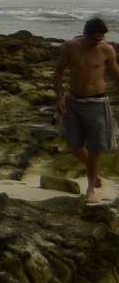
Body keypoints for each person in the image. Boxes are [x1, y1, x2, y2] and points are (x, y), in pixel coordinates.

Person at [55, 16, 118, 202]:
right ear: (85, 34)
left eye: (100, 39)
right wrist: (59, 98)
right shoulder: (70, 46)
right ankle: (95, 173)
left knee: (94, 149)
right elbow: (58, 71)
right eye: (94, 39)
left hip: (97, 103)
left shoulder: (107, 50)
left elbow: (116, 75)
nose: (97, 42)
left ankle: (91, 189)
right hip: (73, 101)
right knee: (74, 146)